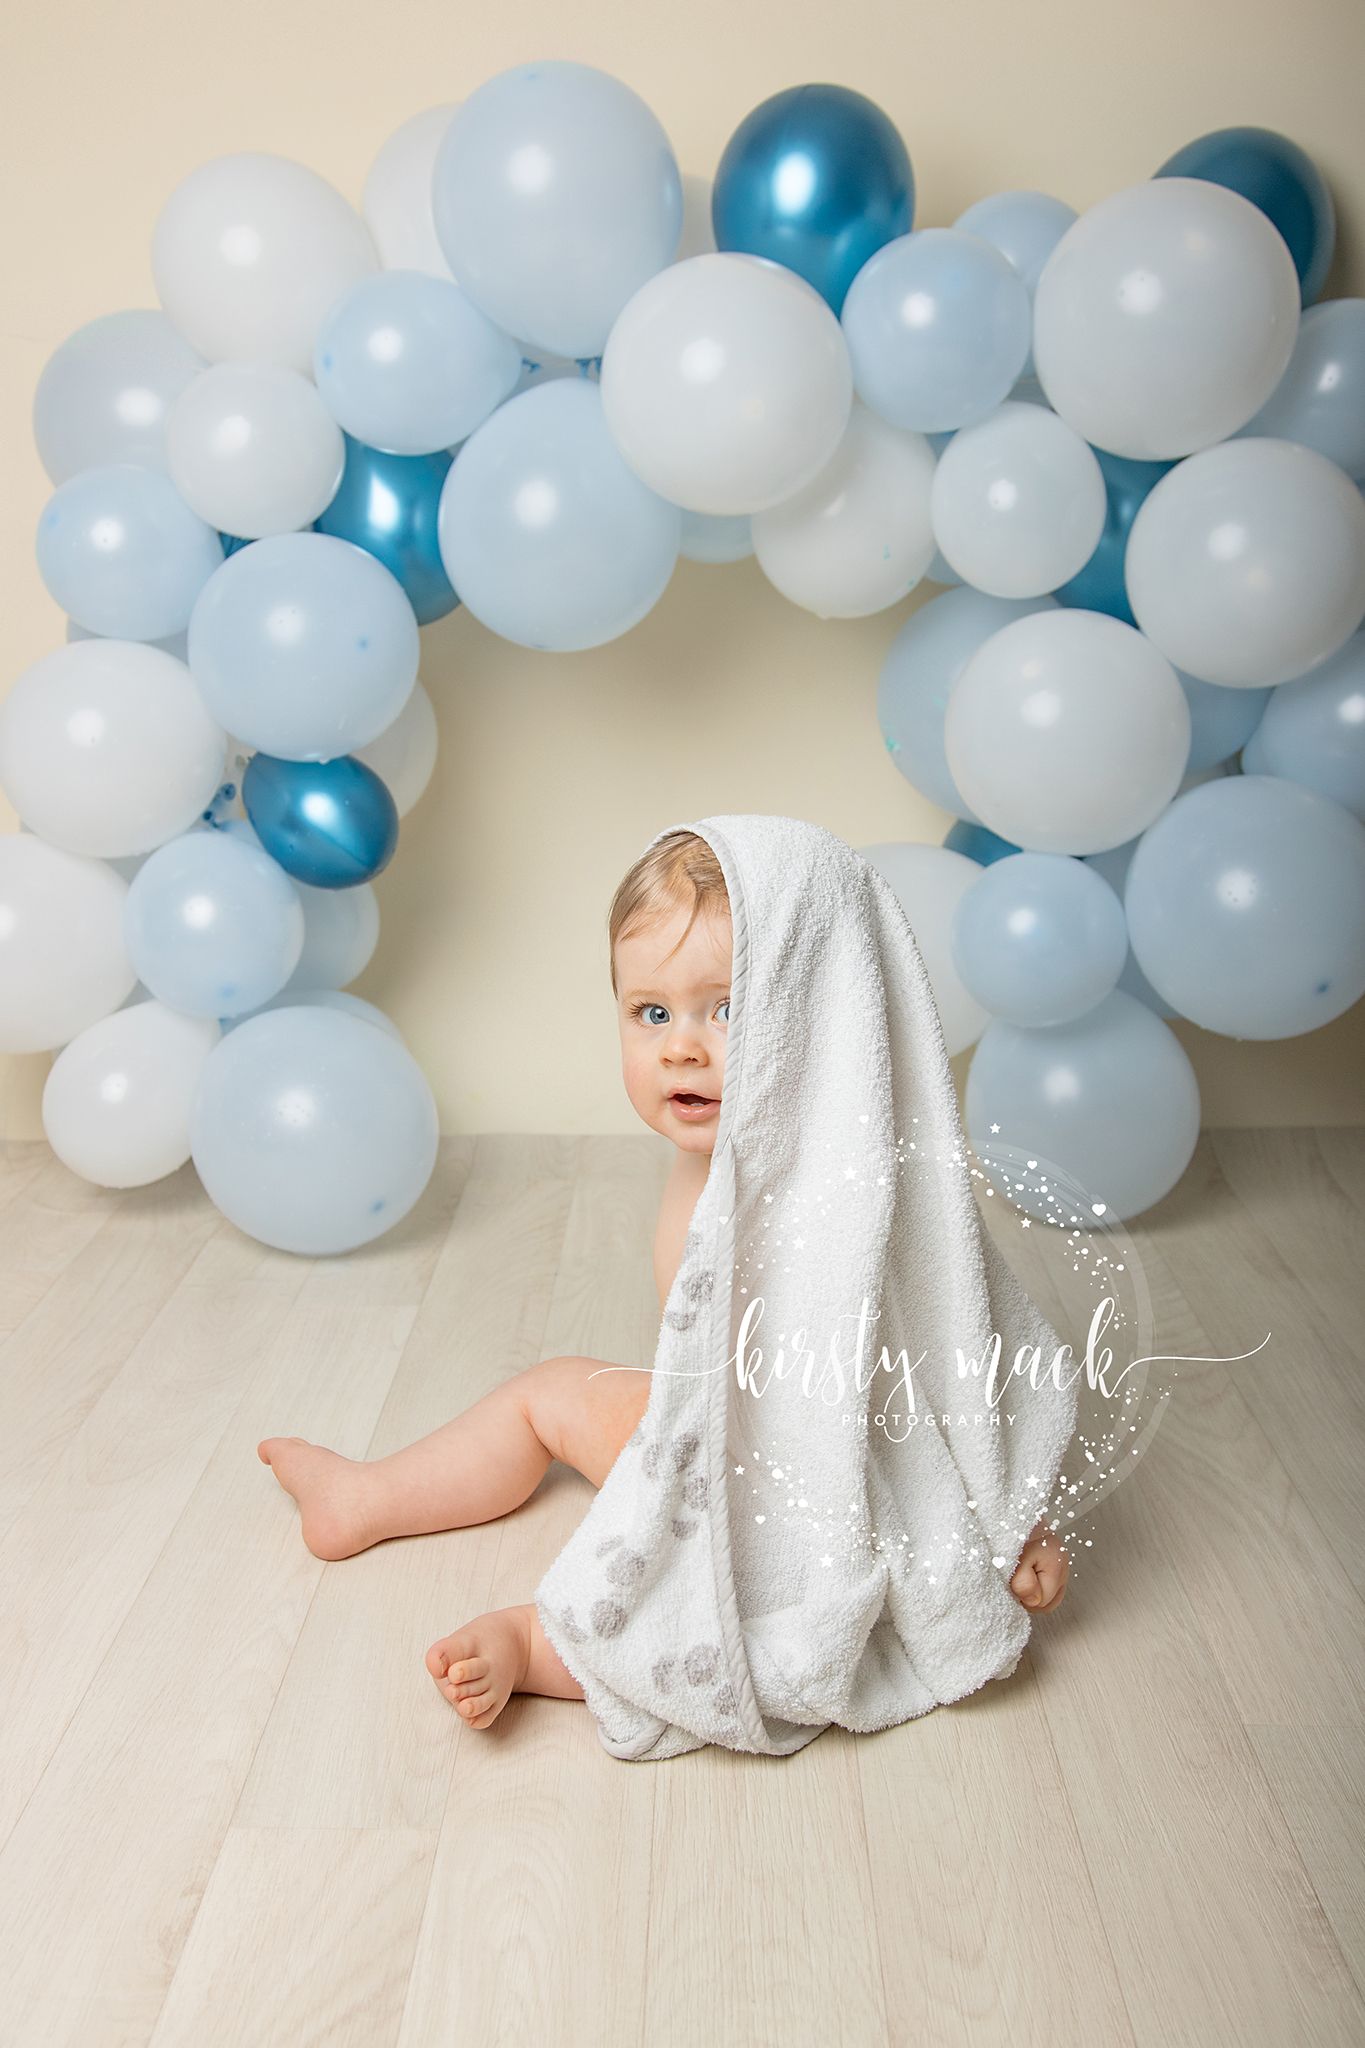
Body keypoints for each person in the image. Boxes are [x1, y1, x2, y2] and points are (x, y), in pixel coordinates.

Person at [258, 828, 1068, 1734]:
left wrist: (993, 1530)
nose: (681, 1048)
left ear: (821, 1022)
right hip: (701, 1434)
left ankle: (530, 1644)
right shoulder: (750, 1159)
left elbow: (935, 1366)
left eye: (726, 1009)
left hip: (789, 1498)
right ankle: (364, 1498)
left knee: (684, 1586)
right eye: (651, 1013)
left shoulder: (850, 1202)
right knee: (555, 1391)